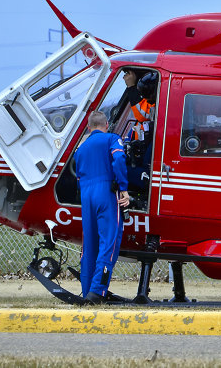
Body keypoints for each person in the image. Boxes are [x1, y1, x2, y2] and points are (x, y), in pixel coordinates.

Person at [74, 110, 129, 304]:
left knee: (89, 244)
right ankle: (97, 291)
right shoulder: (112, 139)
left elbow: (78, 177)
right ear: (106, 125)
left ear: (89, 128)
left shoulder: (81, 148)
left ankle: (86, 289)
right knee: (109, 241)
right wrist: (123, 188)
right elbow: (120, 159)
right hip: (106, 192)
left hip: (86, 195)